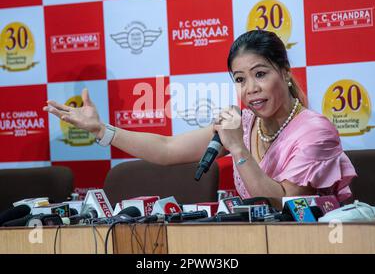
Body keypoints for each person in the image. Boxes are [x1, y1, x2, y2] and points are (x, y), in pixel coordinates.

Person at [43, 30, 357, 209]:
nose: (251, 89)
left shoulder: (316, 131)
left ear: (285, 73)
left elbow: (284, 204)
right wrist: (102, 130)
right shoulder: (246, 123)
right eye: (240, 79)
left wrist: (237, 150)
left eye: (260, 74)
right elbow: (167, 149)